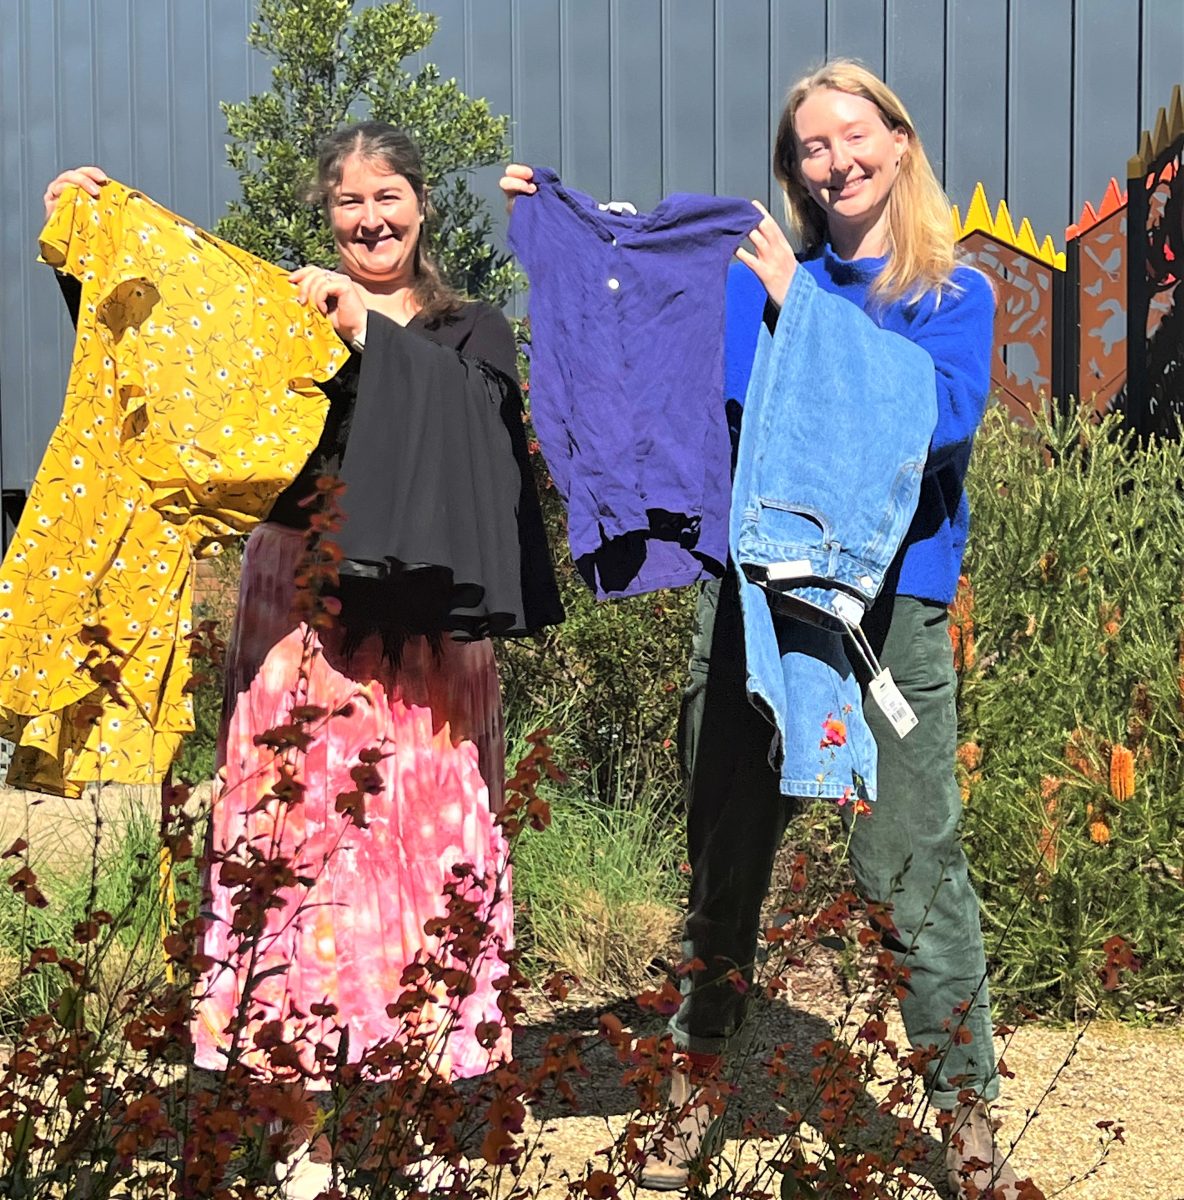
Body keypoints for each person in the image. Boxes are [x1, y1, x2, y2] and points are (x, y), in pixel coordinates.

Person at [502, 60, 1027, 1199]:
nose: (833, 162)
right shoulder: (754, 277)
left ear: (898, 140)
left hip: (894, 625)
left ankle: (966, 1115)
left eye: (852, 136)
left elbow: (931, 426)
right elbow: (701, 379)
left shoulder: (953, 297)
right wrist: (574, 229)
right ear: (790, 170)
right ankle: (690, 1095)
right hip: (757, 610)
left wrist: (803, 305)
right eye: (808, 148)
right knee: (724, 865)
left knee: (909, 871)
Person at [46, 122, 558, 1194]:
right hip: (300, 618)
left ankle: (409, 1118)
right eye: (349, 202)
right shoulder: (282, 318)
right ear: (325, 212)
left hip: (428, 646)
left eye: (389, 196)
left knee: (427, 871)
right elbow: (167, 377)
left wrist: (368, 328)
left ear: (422, 202)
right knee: (296, 861)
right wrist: (96, 247)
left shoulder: (472, 331)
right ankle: (302, 1139)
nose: (370, 219)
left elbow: (481, 428)